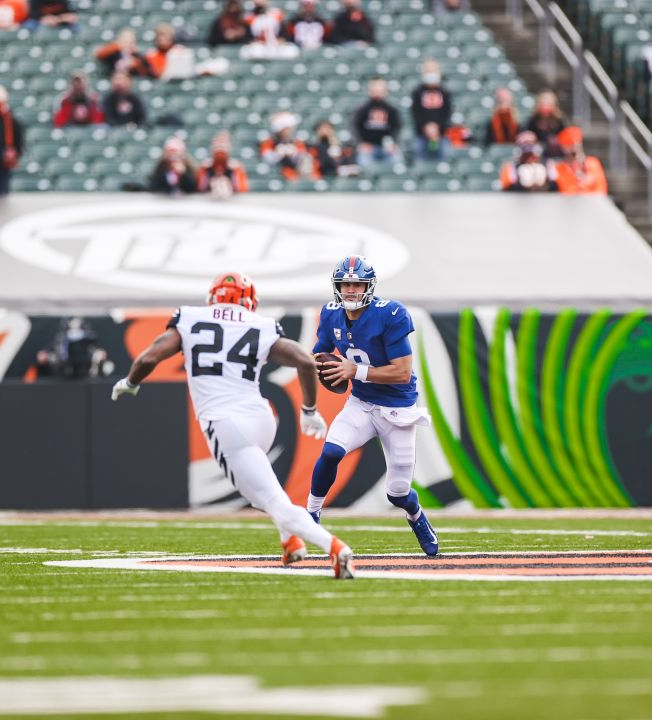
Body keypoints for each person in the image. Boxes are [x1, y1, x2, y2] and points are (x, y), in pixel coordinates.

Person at [111, 272, 355, 579]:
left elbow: (150, 356)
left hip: (226, 424)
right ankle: (290, 542)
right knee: (260, 492)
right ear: (249, 300)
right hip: (262, 419)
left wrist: (131, 382)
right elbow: (305, 362)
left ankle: (333, 546)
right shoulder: (261, 324)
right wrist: (308, 410)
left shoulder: (190, 318)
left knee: (273, 500)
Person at [309, 257, 439, 556]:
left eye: (357, 284)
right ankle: (311, 515)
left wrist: (355, 371)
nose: (351, 290)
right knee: (331, 452)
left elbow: (402, 372)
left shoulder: (390, 313)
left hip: (397, 409)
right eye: (346, 284)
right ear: (337, 286)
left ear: (368, 286)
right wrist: (313, 366)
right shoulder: (330, 314)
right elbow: (319, 354)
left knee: (398, 493)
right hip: (362, 403)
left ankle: (416, 514)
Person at [409, 60, 453, 163]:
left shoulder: (445, 92)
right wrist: (426, 127)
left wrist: (437, 128)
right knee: (419, 162)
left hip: (441, 136)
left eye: (433, 71)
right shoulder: (417, 92)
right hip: (421, 136)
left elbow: (447, 113)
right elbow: (416, 113)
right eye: (428, 71)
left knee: (444, 163)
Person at [353, 78, 402, 166]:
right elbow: (356, 126)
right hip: (369, 147)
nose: (378, 90)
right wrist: (361, 143)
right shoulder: (363, 109)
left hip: (387, 147)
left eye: (380, 87)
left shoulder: (391, 109)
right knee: (364, 162)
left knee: (397, 161)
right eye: (375, 87)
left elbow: (397, 127)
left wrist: (394, 143)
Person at [260, 112, 315, 181]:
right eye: (284, 129)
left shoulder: (297, 142)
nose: (287, 132)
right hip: (277, 171)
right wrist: (278, 154)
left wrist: (293, 154)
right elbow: (267, 159)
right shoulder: (269, 142)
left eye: (288, 129)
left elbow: (303, 156)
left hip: (295, 171)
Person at [552, 127, 607, 195]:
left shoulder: (593, 163)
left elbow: (601, 188)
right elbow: (566, 191)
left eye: (576, 144)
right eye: (569, 145)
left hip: (593, 203)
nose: (574, 147)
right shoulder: (560, 168)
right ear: (563, 148)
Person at [197, 132, 250, 197]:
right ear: (212, 147)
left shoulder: (236, 168)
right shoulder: (205, 167)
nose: (220, 147)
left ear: (229, 146)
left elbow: (242, 190)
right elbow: (199, 189)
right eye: (218, 144)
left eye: (223, 144)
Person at [524, 90, 567, 156]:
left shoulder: (559, 120)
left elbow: (564, 137)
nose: (546, 107)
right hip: (536, 152)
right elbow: (528, 135)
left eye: (549, 105)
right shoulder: (533, 119)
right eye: (544, 104)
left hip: (556, 152)